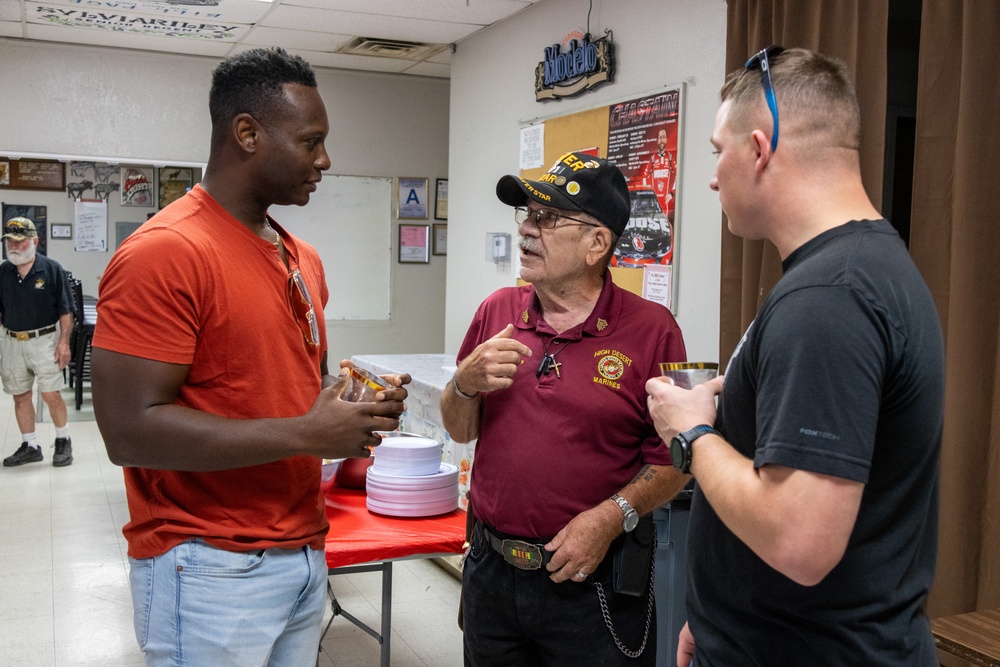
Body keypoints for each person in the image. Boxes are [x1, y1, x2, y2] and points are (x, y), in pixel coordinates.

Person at [91, 47, 409, 666]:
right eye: (311, 141)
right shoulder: (166, 252)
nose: (325, 160)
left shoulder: (301, 257)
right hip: (207, 565)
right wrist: (306, 432)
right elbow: (129, 432)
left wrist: (350, 412)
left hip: (303, 552)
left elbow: (286, 388)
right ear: (247, 134)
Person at [646, 47, 944, 666]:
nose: (710, 175)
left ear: (758, 149)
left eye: (715, 151)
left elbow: (799, 540)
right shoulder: (861, 268)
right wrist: (716, 614)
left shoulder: (827, 299)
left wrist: (692, 431)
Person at [442, 152, 688, 666]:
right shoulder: (497, 310)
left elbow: (678, 458)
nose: (527, 230)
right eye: (526, 215)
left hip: (593, 582)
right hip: (492, 572)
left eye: (546, 218)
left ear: (597, 243)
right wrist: (463, 385)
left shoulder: (655, 329)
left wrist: (610, 517)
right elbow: (460, 430)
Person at [0, 216, 75, 468]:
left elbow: (66, 311)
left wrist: (64, 343)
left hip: (45, 340)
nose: (13, 245)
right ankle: (30, 445)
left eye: (19, 241)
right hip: (11, 341)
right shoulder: (3, 272)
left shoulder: (51, 269)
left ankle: (63, 440)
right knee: (20, 396)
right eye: (9, 240)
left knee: (51, 394)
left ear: (34, 241)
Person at [639, 128, 677, 222]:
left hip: (666, 201)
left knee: (666, 224)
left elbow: (678, 176)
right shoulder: (653, 159)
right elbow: (644, 176)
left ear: (667, 140)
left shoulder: (671, 158)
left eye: (663, 137)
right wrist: (649, 193)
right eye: (660, 137)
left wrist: (672, 193)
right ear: (657, 140)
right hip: (655, 200)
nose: (662, 140)